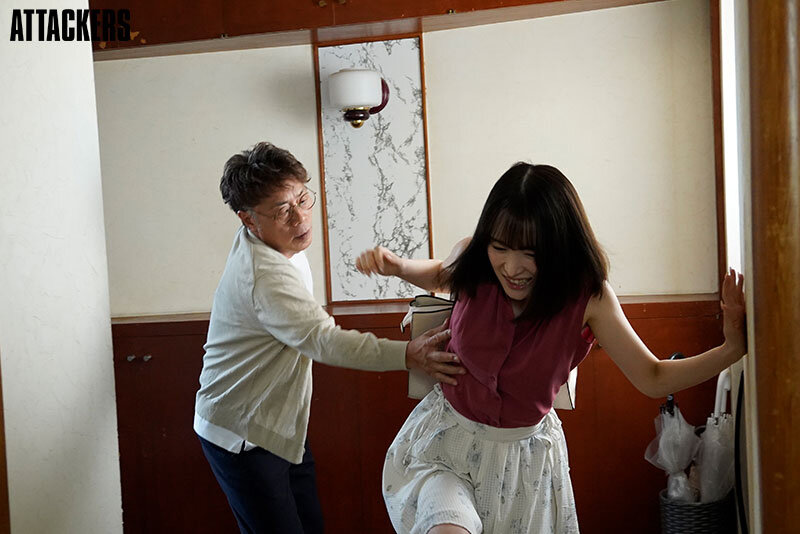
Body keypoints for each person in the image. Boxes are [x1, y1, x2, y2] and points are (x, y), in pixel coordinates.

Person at [355, 162, 746, 534]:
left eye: (531, 252)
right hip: (446, 446)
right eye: (501, 247)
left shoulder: (588, 297)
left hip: (523, 466)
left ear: (560, 245)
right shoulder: (475, 260)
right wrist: (399, 266)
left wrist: (731, 350)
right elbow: (442, 274)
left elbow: (653, 376)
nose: (512, 267)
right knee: (447, 526)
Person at [194, 141, 466, 534]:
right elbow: (324, 341)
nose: (300, 218)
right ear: (248, 220)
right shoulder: (264, 274)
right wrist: (409, 354)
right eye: (282, 210)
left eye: (302, 199)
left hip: (281, 425)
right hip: (243, 433)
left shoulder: (275, 241)